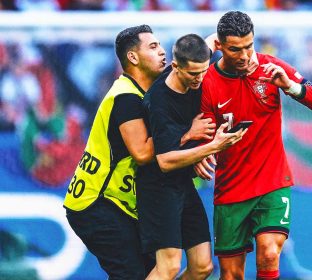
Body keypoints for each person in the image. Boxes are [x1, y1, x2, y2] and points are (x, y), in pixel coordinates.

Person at [195, 11, 312, 280]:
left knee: (269, 253)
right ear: (219, 46)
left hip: (272, 181)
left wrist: (291, 86)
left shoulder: (270, 67)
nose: (245, 55)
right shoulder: (208, 82)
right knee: (232, 274)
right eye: (236, 49)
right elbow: (205, 131)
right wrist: (202, 149)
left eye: (249, 46)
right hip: (231, 188)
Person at [136, 34, 246, 280]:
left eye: (204, 72)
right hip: (158, 189)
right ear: (175, 66)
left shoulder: (196, 65)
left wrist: (224, 38)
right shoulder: (160, 100)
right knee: (169, 267)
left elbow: (210, 40)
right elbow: (165, 161)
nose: (200, 79)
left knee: (203, 266)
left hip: (183, 185)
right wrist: (212, 147)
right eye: (194, 74)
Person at [63, 25, 165, 279]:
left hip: (115, 203)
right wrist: (185, 132)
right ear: (132, 57)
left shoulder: (140, 92)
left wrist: (213, 43)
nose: (162, 52)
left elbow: (188, 61)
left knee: (153, 270)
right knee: (131, 274)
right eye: (153, 47)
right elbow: (141, 153)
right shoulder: (126, 98)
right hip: (96, 202)